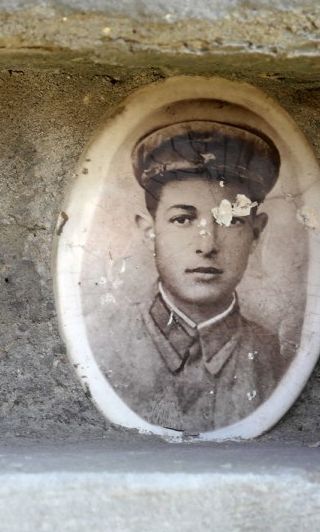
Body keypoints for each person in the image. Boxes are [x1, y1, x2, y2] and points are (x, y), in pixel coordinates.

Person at [94, 119, 293, 434]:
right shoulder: (107, 344)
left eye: (230, 220)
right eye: (183, 219)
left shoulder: (274, 353)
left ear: (256, 233)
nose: (207, 245)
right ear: (150, 232)